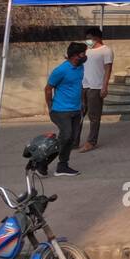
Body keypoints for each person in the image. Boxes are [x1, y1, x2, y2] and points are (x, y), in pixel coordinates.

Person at [44, 43, 88, 176]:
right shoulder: (61, 70)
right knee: (66, 136)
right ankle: (42, 162)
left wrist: (82, 102)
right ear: (75, 55)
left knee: (70, 139)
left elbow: (78, 85)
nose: (85, 56)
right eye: (82, 54)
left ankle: (62, 166)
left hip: (76, 109)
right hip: (61, 110)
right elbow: (48, 88)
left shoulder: (80, 67)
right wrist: (50, 106)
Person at [79, 26, 113, 152]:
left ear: (97, 37)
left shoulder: (106, 51)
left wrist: (104, 86)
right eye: (86, 38)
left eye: (89, 38)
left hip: (96, 87)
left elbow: (108, 70)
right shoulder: (86, 50)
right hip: (84, 86)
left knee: (94, 117)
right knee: (79, 114)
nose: (88, 41)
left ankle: (91, 142)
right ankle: (74, 141)